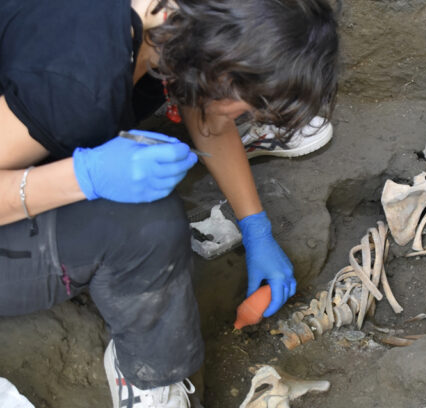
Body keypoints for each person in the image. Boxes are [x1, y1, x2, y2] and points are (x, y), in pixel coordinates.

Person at [0, 0, 339, 407]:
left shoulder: (178, 24)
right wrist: (83, 175)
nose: (250, 117)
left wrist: (255, 227)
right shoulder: (78, 81)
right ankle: (148, 378)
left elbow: (208, 114)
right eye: (251, 106)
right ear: (220, 68)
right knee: (146, 226)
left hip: (24, 122)